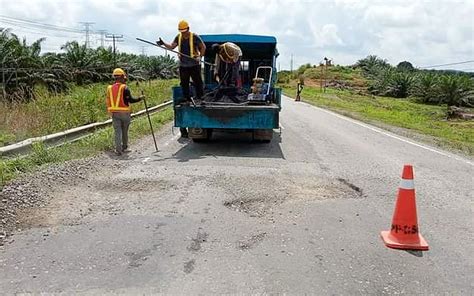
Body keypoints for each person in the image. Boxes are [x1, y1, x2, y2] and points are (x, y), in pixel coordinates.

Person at [157, 20, 206, 138]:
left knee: (198, 82)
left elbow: (203, 47)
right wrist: (163, 43)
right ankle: (187, 99)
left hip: (194, 64)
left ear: (188, 29)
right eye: (181, 31)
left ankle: (200, 98)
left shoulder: (195, 37)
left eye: (185, 31)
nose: (183, 34)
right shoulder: (178, 37)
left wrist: (200, 56)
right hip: (183, 65)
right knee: (184, 83)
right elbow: (172, 46)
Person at [106, 68, 144, 156]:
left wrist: (109, 111)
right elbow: (130, 100)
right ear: (123, 77)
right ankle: (125, 147)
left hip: (114, 113)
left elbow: (108, 100)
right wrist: (140, 98)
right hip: (125, 113)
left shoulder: (110, 88)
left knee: (117, 131)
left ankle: (118, 150)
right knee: (124, 131)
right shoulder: (125, 88)